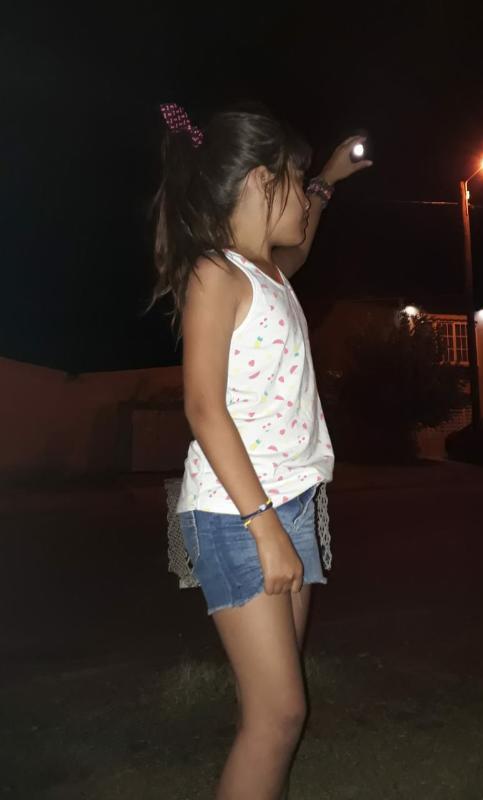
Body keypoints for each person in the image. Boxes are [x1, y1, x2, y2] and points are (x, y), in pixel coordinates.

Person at [151, 102, 372, 800]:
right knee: (278, 717)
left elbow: (299, 246)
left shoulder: (268, 272)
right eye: (296, 182)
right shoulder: (215, 275)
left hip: (291, 503)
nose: (304, 201)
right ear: (257, 181)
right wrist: (264, 525)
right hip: (241, 514)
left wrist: (328, 179)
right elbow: (202, 407)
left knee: (275, 713)